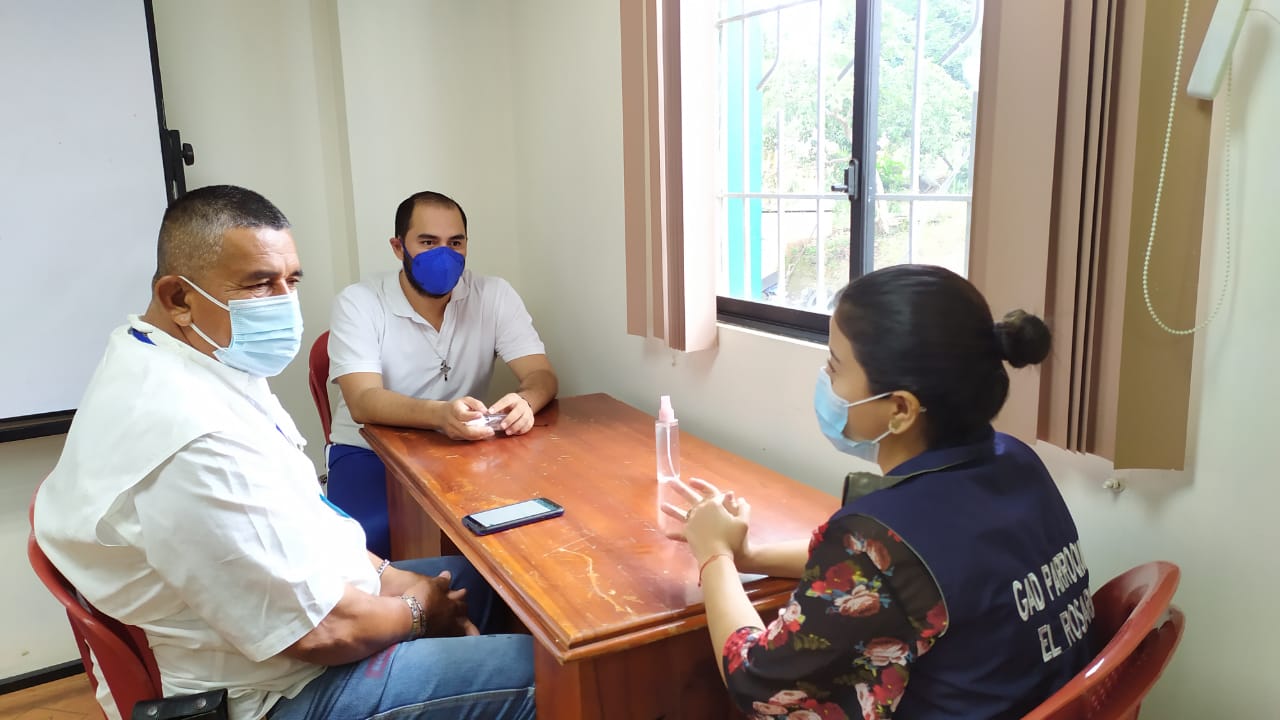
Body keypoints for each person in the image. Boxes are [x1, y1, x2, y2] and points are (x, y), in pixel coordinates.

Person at [33, 185, 535, 720]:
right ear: (178, 298)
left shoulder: (183, 357)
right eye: (259, 283)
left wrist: (392, 577)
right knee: (549, 672)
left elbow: (306, 513)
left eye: (291, 281)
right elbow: (323, 632)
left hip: (301, 615)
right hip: (276, 690)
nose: (284, 304)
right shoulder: (189, 438)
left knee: (489, 586)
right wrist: (417, 611)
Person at [665, 265, 1094, 719]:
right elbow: (901, 575)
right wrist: (750, 555)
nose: (825, 379)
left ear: (901, 408)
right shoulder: (1016, 461)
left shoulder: (877, 540)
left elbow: (756, 681)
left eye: (835, 366)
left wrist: (713, 554)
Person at [325, 191, 557, 557]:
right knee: (367, 545)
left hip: (462, 448)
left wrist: (526, 402)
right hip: (368, 453)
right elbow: (363, 401)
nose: (444, 255)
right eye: (428, 242)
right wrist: (439, 415)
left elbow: (541, 374)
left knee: (509, 535)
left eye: (455, 243)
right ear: (398, 247)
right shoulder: (359, 302)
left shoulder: (493, 294)